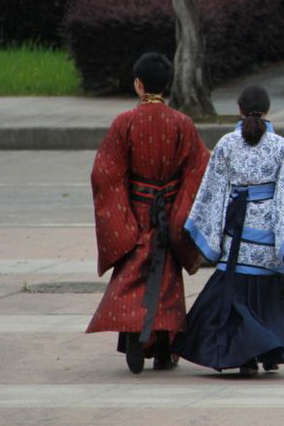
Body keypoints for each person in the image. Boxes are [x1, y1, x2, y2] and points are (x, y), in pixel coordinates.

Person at [175, 85, 284, 376]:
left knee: (236, 291)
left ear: (239, 109)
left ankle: (245, 354)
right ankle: (270, 351)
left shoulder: (227, 143)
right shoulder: (279, 145)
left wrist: (207, 229)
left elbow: (212, 191)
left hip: (237, 233)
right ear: (267, 110)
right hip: (268, 232)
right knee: (269, 291)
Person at [86, 52, 210, 374]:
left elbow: (105, 175)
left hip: (135, 216)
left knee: (131, 281)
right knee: (167, 282)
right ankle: (164, 350)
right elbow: (199, 170)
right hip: (169, 215)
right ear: (167, 85)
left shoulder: (123, 123)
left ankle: (132, 339)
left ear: (138, 85)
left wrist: (122, 219)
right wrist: (180, 214)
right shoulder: (182, 124)